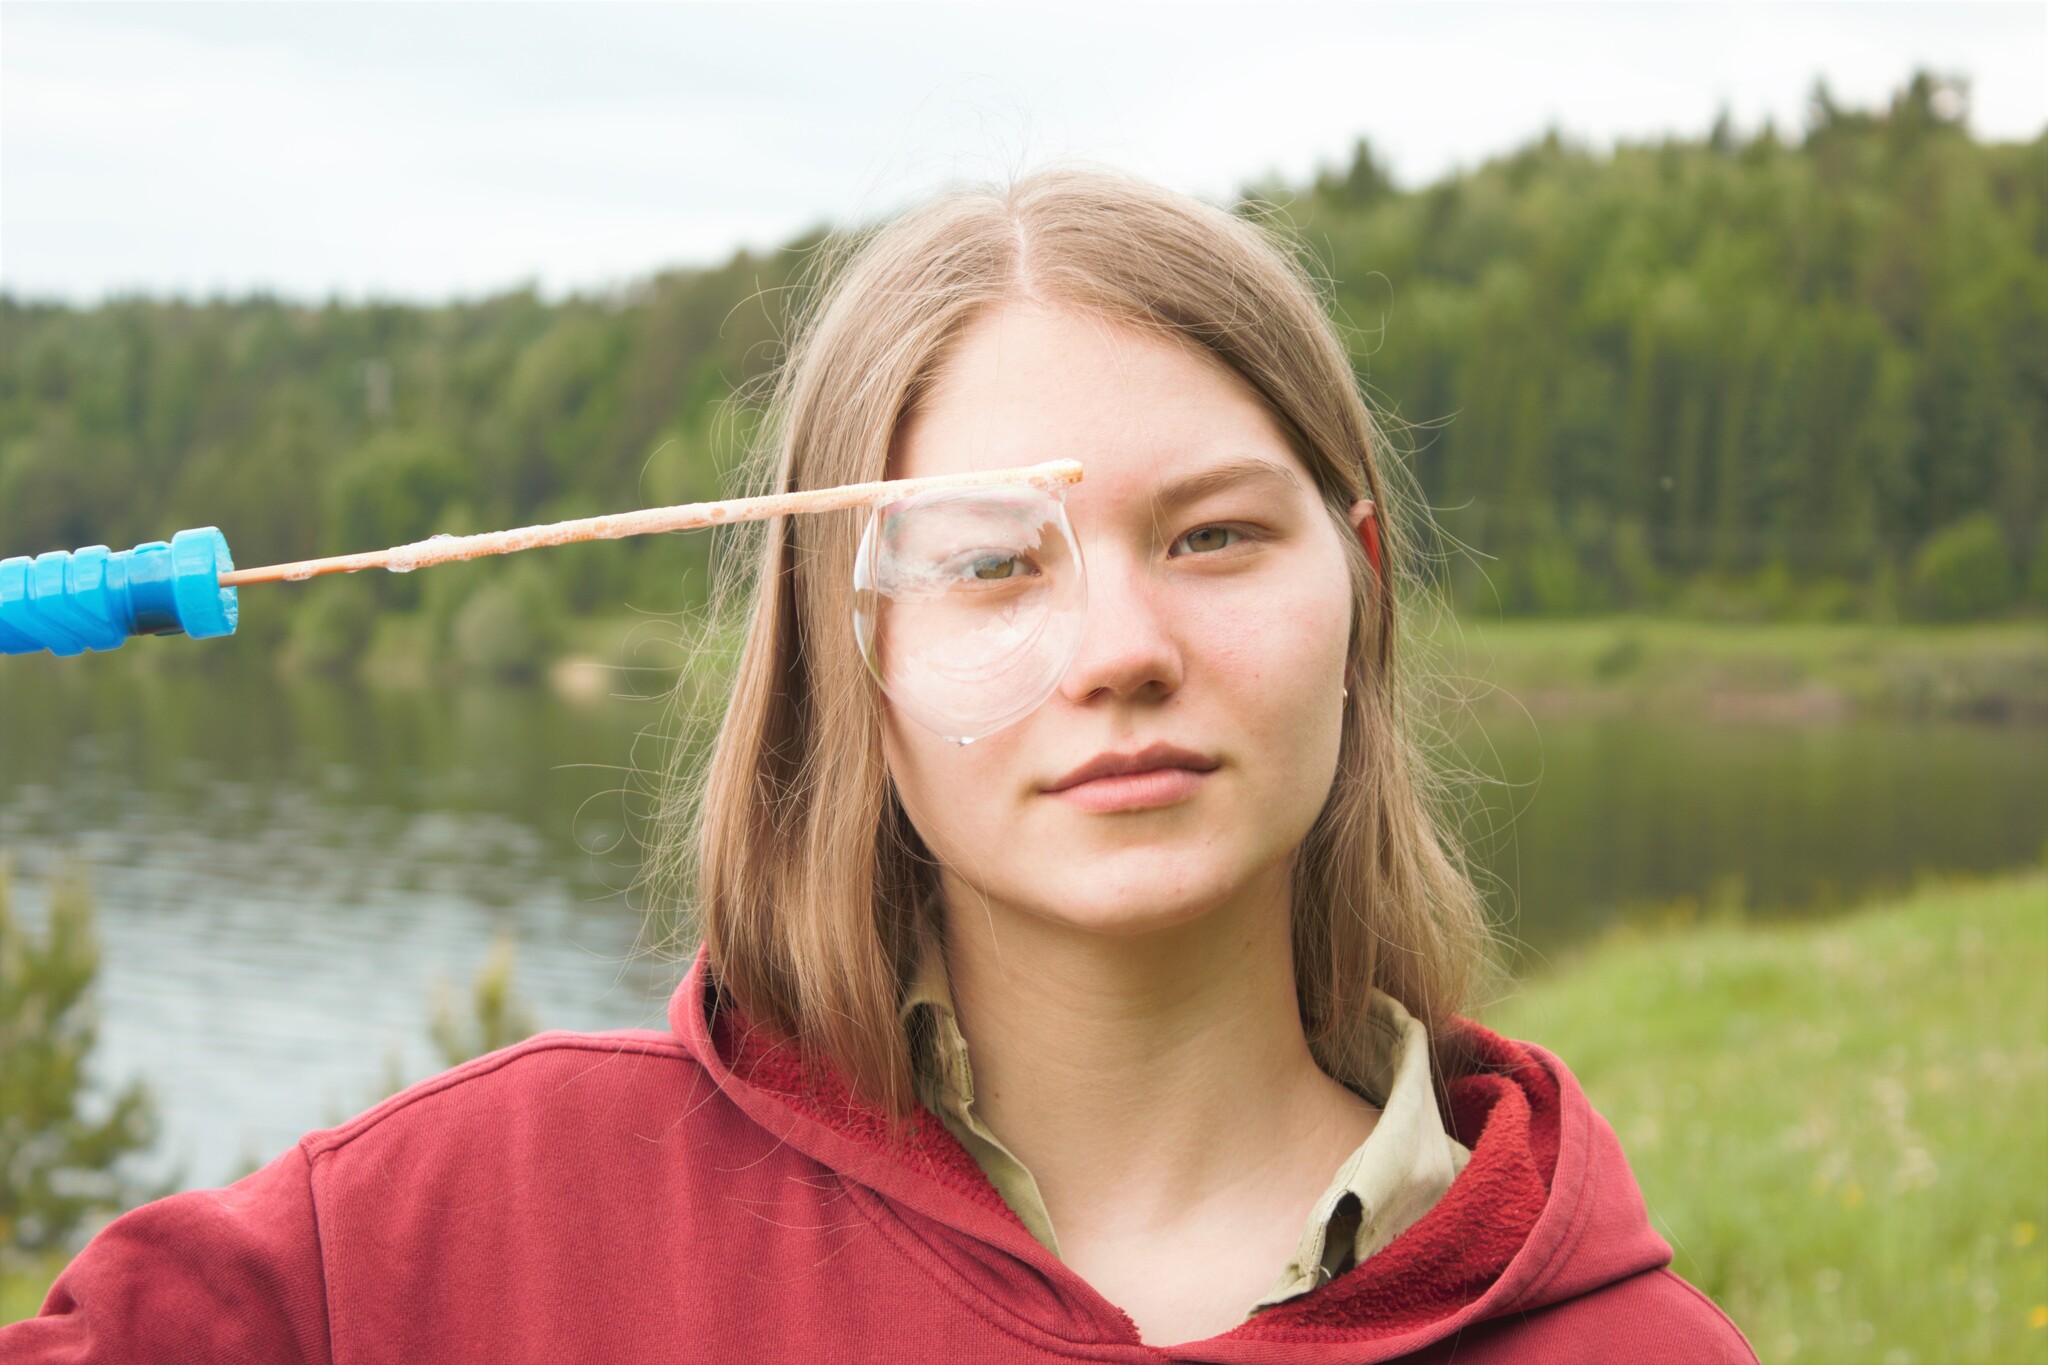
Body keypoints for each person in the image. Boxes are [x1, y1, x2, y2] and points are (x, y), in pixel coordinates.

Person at [3, 166, 1756, 1362]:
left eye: (1215, 537)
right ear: (857, 655)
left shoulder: (1618, 1341)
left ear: (1359, 588)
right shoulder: (459, 1237)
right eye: (994, 559)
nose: (1119, 646)